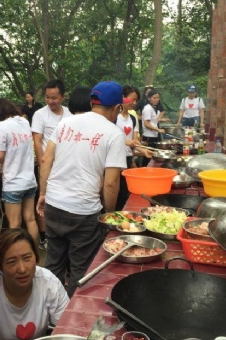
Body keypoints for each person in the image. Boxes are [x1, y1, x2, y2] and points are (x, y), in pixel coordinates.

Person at [36, 81, 127, 297]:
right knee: (80, 270)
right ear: (117, 108)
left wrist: (42, 193)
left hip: (54, 205)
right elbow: (111, 182)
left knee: (54, 265)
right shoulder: (114, 133)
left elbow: (46, 160)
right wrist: (109, 213)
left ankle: (50, 314)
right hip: (83, 213)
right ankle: (69, 319)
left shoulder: (65, 124)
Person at [0, 228, 69, 340]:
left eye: (27, 258)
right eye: (12, 262)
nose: (22, 269)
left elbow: (68, 329)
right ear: (0, 266)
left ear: (36, 257)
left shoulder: (49, 283)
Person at [0, 98, 39, 244]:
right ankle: (34, 256)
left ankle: (17, 258)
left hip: (13, 183)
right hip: (30, 181)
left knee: (14, 225)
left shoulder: (1, 126)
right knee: (30, 219)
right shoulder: (24, 122)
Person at [31, 79, 72, 251]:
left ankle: (66, 235)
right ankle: (46, 237)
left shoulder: (70, 115)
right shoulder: (40, 115)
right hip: (48, 166)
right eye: (47, 97)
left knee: (65, 201)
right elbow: (37, 140)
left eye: (54, 98)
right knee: (44, 202)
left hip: (67, 167)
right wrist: (43, 165)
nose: (50, 101)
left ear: (62, 97)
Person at [115, 85, 153, 210]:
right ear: (123, 98)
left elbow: (134, 141)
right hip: (115, 161)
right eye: (132, 99)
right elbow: (111, 139)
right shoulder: (114, 118)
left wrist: (143, 150)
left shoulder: (132, 118)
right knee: (118, 193)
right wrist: (127, 142)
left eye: (136, 100)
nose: (134, 103)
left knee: (126, 193)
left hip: (127, 159)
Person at [141, 88, 166, 167]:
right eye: (154, 98)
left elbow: (152, 121)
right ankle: (142, 172)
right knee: (147, 157)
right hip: (148, 137)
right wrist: (158, 129)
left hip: (153, 136)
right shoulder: (148, 108)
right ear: (149, 98)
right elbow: (146, 124)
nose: (156, 100)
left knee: (152, 156)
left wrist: (161, 120)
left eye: (158, 98)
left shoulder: (153, 108)